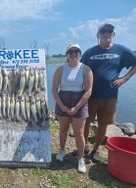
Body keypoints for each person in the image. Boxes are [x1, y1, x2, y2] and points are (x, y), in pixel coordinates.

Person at [81, 23, 136, 162]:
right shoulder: (90, 52)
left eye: (109, 36)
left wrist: (125, 78)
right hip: (90, 95)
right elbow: (80, 70)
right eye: (103, 36)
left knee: (103, 125)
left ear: (113, 35)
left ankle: (95, 150)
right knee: (86, 123)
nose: (106, 39)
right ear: (98, 36)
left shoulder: (122, 50)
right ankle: (84, 146)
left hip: (110, 97)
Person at [52, 43, 93, 173]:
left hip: (79, 102)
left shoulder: (86, 69)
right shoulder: (60, 69)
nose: (74, 54)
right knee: (63, 129)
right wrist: (62, 105)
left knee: (79, 133)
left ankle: (81, 158)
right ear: (67, 54)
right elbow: (54, 90)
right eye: (71, 52)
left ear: (80, 54)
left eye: (77, 52)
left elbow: (88, 91)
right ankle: (62, 150)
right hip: (62, 100)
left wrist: (77, 106)